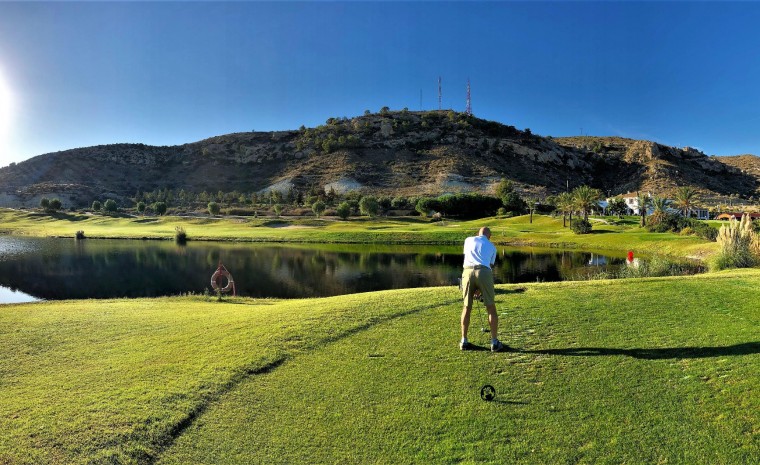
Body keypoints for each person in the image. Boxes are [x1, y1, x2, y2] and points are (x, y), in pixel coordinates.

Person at [460, 226, 507, 352]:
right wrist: (480, 287)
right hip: (484, 272)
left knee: (466, 307)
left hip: (467, 271)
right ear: (489, 236)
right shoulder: (492, 247)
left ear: (478, 234)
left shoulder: (468, 240)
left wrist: (476, 286)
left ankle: (464, 341)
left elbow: (467, 256)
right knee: (491, 307)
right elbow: (490, 265)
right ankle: (494, 342)